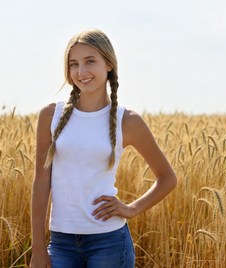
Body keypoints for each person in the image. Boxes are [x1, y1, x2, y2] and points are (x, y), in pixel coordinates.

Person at [29, 29, 177, 268]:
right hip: (61, 243)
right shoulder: (50, 116)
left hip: (109, 242)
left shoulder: (127, 120)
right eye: (73, 64)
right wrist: (37, 248)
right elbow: (40, 182)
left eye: (90, 61)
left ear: (108, 64)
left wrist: (131, 209)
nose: (81, 72)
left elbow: (168, 178)